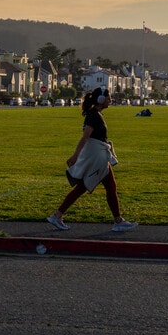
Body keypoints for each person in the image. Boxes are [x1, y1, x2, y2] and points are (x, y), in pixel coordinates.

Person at [47, 87, 137, 232]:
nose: (110, 100)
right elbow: (85, 137)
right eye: (108, 98)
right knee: (105, 187)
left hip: (98, 155)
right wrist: (75, 156)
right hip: (97, 157)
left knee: (89, 187)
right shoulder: (94, 116)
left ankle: (57, 215)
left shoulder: (96, 114)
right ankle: (118, 221)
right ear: (101, 100)